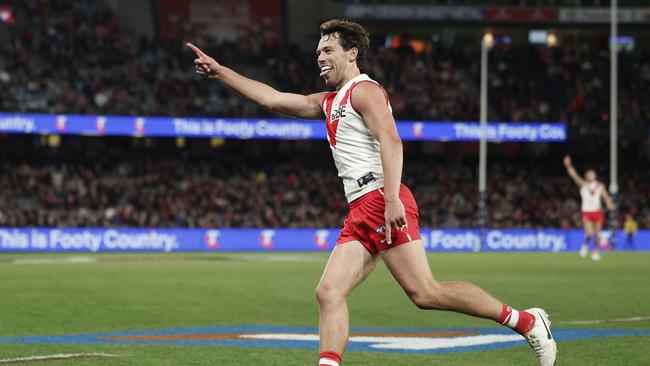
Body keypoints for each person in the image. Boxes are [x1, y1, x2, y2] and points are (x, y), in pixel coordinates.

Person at [188, 19, 556, 366]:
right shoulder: (329, 101)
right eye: (318, 52)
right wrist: (220, 72)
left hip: (380, 197)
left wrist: (392, 197)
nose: (320, 57)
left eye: (328, 50)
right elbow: (271, 99)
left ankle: (526, 322)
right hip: (360, 207)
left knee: (425, 293)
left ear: (352, 54)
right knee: (329, 293)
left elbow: (391, 141)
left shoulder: (364, 90)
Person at [563, 156, 613, 260]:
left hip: (597, 211)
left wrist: (608, 203)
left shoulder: (600, 185)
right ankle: (585, 245)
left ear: (595, 175)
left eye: (592, 174)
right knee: (589, 233)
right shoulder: (583, 184)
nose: (590, 175)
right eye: (588, 174)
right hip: (587, 212)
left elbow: (605, 196)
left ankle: (595, 250)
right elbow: (574, 176)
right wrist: (568, 166)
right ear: (586, 176)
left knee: (597, 234)